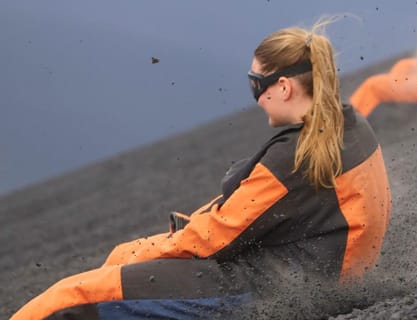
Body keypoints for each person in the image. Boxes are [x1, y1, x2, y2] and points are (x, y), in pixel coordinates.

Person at [13, 18, 392, 320]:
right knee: (124, 261)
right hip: (320, 274)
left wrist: (144, 250)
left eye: (254, 84)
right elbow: (266, 210)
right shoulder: (349, 126)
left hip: (266, 290)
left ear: (283, 87)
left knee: (69, 296)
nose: (257, 98)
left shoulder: (291, 159)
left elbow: (212, 241)